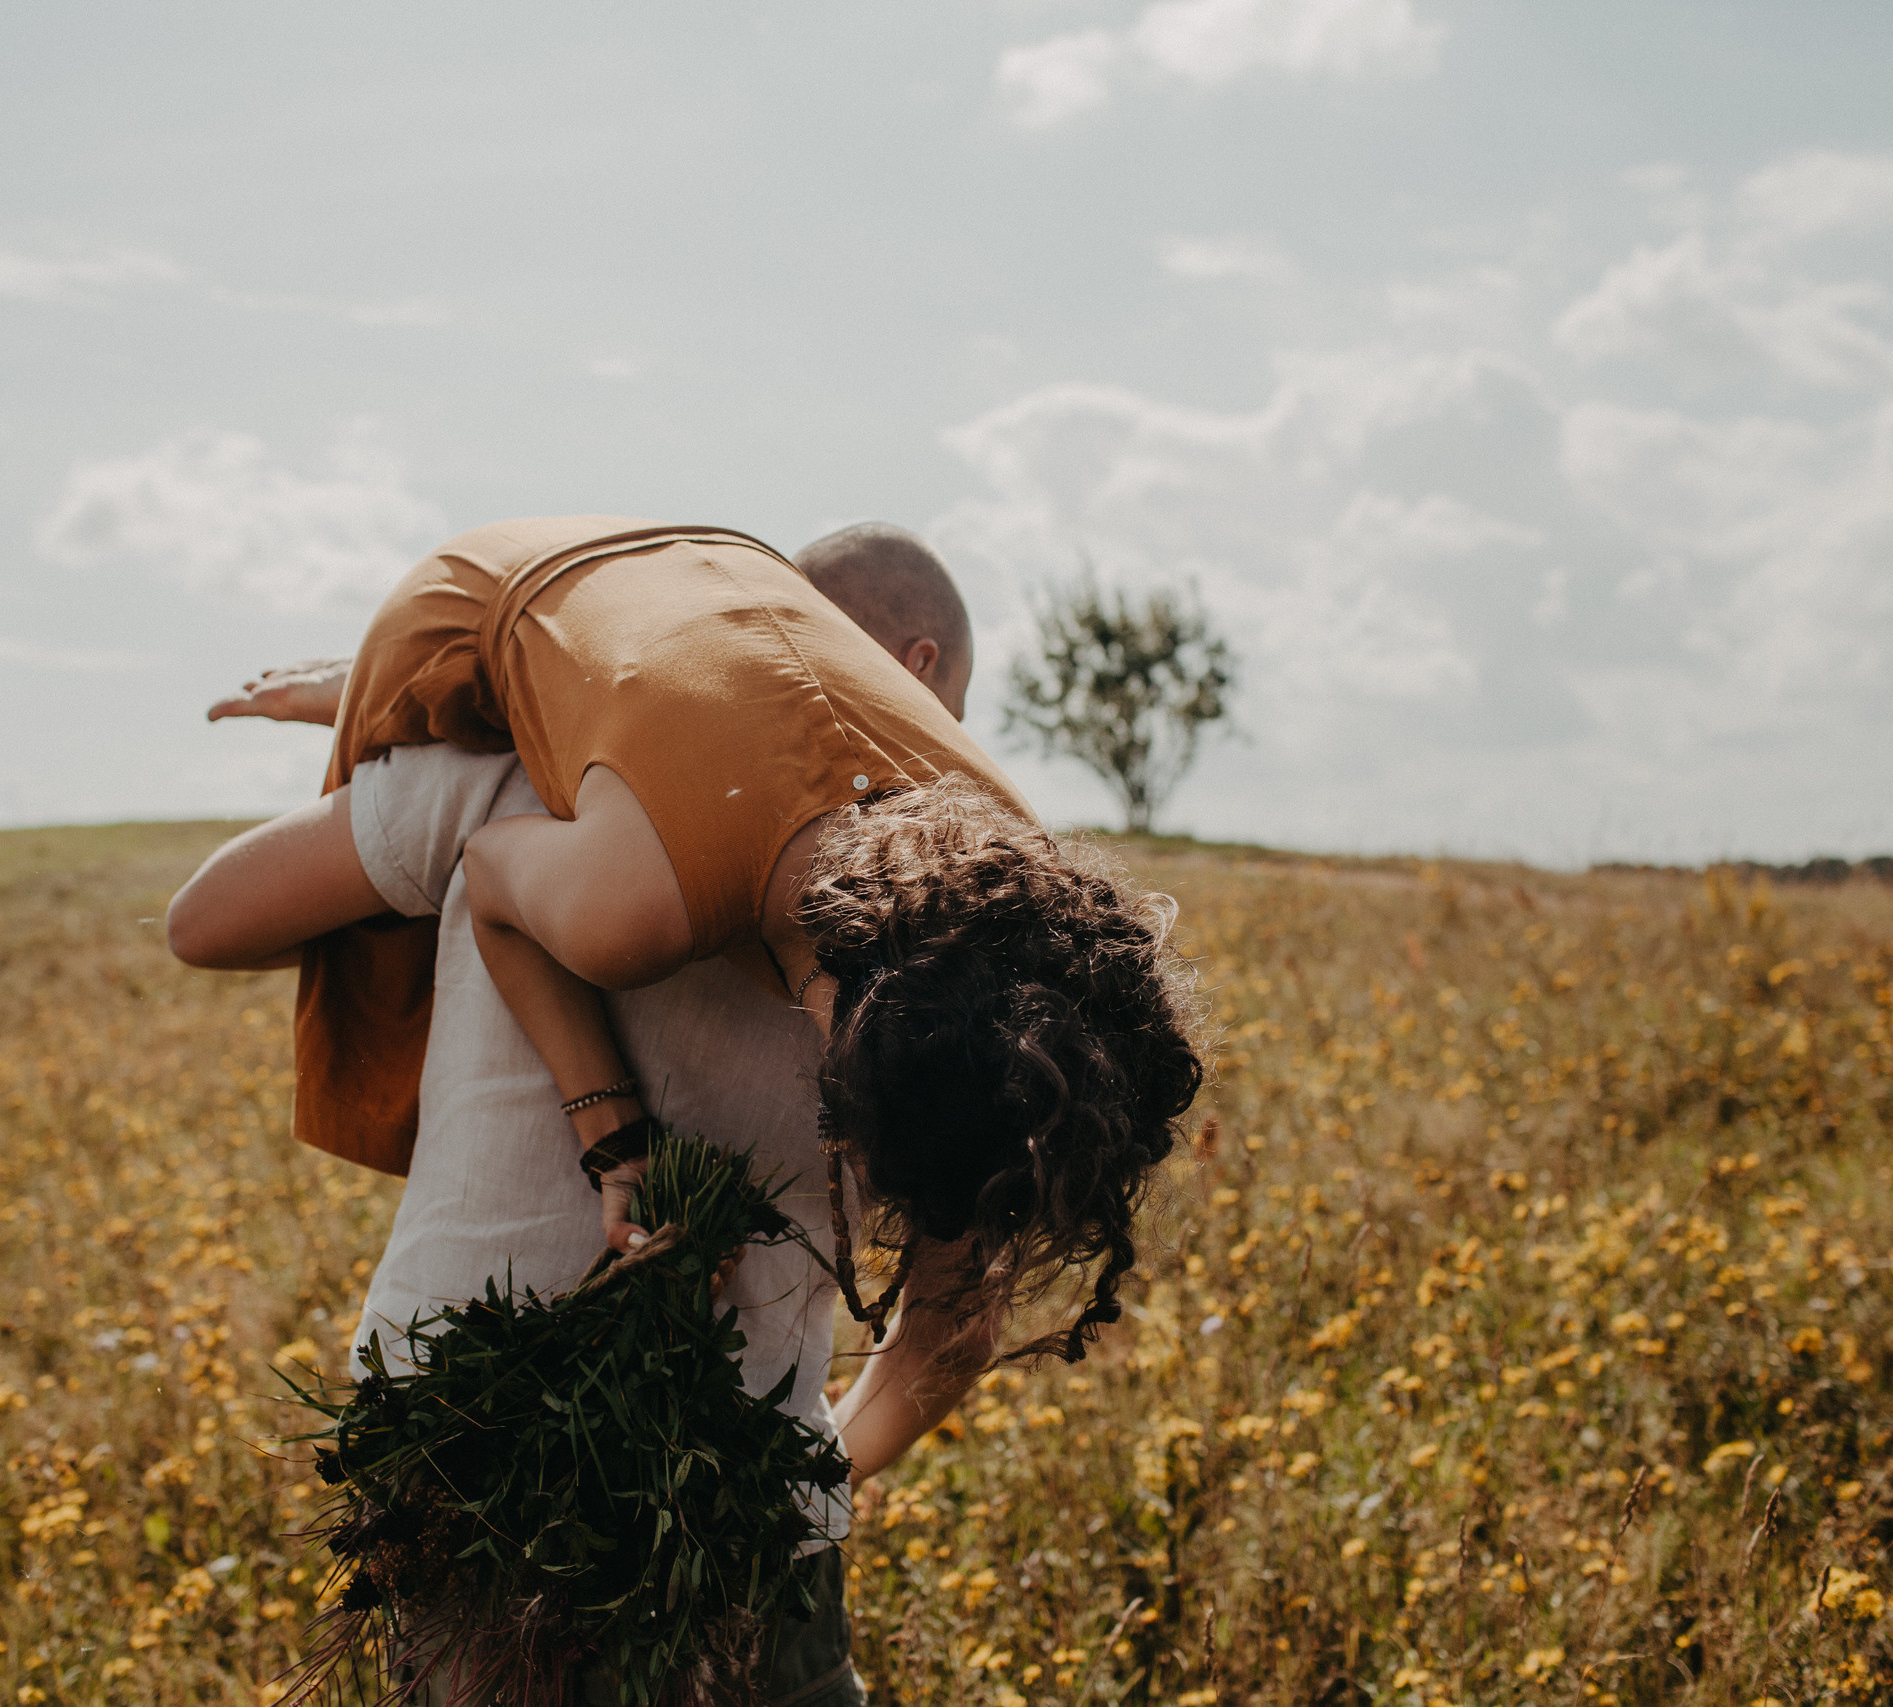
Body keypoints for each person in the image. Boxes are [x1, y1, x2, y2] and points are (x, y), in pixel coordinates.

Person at [171, 516, 1201, 1699]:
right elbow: (950, 1331)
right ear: (913, 677)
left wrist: (406, 756)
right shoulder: (1002, 978)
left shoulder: (516, 795)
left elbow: (204, 923)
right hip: (737, 1527)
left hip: (468, 1463)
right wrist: (779, 1493)